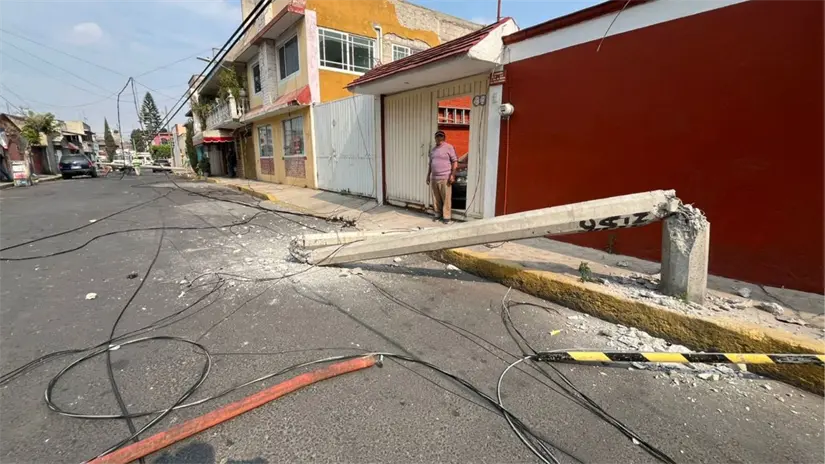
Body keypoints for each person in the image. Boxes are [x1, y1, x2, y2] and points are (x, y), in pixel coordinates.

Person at [426, 130, 458, 224]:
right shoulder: (433, 150)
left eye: (441, 136)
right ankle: (437, 214)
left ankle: (446, 217)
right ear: (435, 138)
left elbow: (455, 161)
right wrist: (428, 176)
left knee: (446, 198)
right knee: (436, 198)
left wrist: (452, 174)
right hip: (434, 178)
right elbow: (430, 164)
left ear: (444, 138)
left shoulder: (449, 147)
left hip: (445, 177)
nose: (439, 138)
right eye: (437, 136)